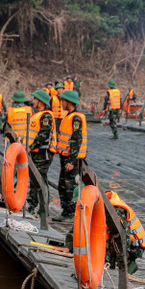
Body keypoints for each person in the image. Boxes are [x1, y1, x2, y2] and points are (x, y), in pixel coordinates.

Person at [50, 90, 87, 221]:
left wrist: (71, 160)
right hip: (65, 157)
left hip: (72, 159)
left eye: (63, 101)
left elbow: (76, 140)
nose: (61, 103)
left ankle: (72, 214)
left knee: (70, 186)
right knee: (63, 186)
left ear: (69, 102)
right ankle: (66, 211)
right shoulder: (68, 116)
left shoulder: (76, 118)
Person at [105, 190, 145, 274]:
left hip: (135, 245)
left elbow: (123, 238)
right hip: (129, 241)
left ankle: (127, 267)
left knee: (115, 245)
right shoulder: (106, 203)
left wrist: (122, 263)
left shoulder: (115, 211)